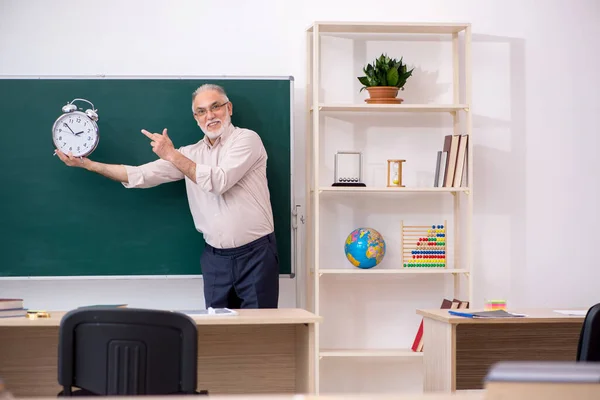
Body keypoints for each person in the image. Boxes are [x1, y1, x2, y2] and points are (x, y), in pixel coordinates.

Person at [55, 84, 279, 309]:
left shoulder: (246, 140)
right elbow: (140, 175)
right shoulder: (189, 154)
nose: (209, 115)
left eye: (216, 107)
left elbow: (218, 181)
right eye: (201, 111)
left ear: (228, 108)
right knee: (217, 334)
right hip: (215, 260)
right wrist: (87, 164)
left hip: (256, 255)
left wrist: (172, 155)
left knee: (261, 330)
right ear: (196, 118)